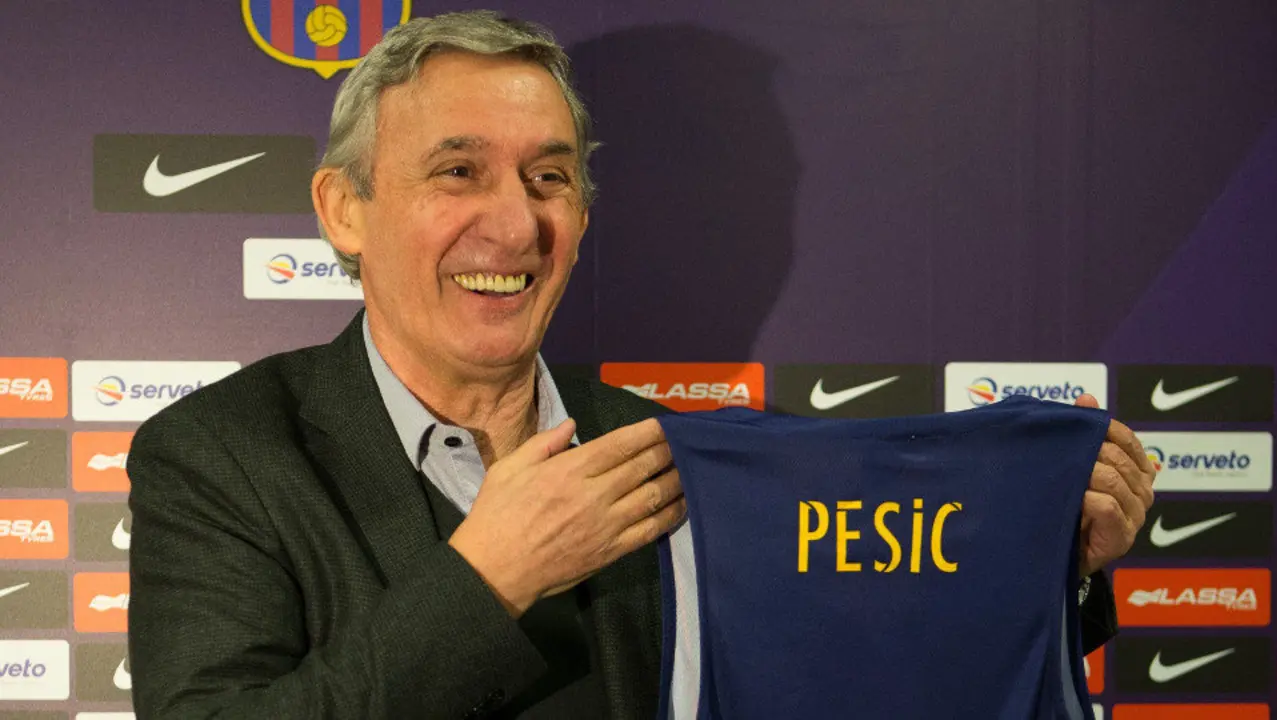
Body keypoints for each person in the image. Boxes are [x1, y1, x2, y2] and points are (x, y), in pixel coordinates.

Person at [126, 10, 1156, 720]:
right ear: (344, 210)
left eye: (549, 178)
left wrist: (1042, 556)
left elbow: (857, 656)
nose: (514, 221)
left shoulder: (668, 454)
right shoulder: (222, 455)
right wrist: (490, 578)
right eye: (457, 172)